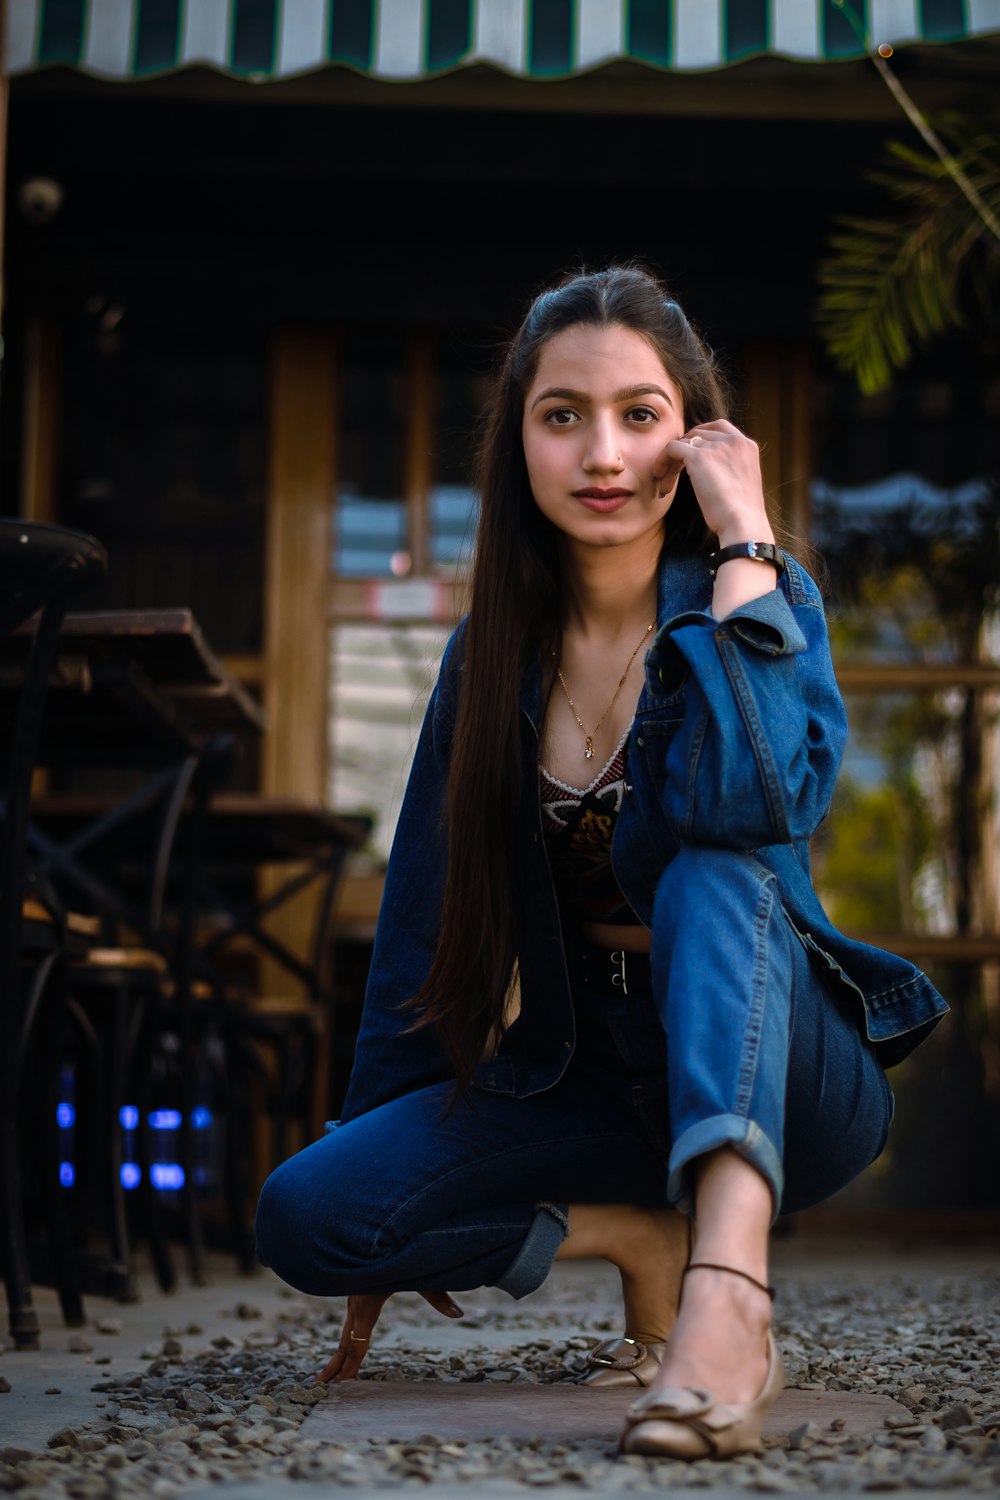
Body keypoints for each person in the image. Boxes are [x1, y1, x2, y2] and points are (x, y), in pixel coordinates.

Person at [256, 265, 948, 1459]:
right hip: (586, 1076)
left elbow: (755, 799)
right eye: (562, 415)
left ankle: (729, 1294)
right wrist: (380, 1169)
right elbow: (420, 913)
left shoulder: (760, 601)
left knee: (713, 870)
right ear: (519, 440)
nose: (603, 454)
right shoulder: (487, 661)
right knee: (305, 1210)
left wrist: (745, 541)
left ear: (695, 435)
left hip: (782, 1068)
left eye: (640, 414)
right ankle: (639, 1234)